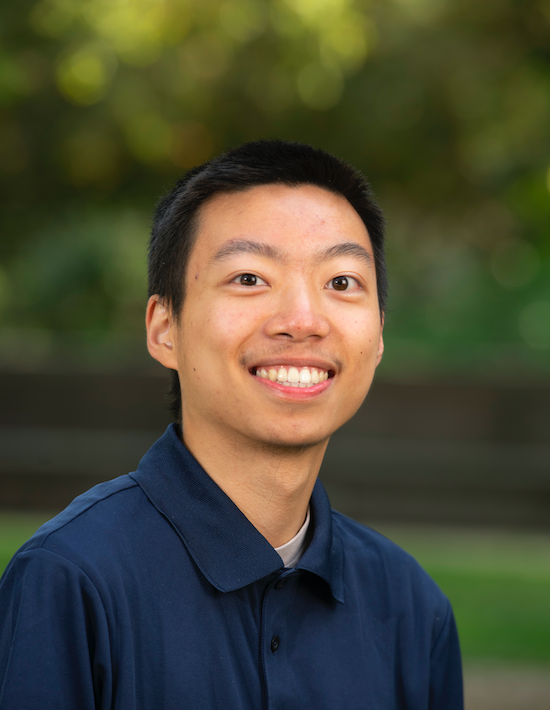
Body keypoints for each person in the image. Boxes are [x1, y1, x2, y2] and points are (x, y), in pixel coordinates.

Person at [0, 140, 463, 709]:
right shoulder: (72, 581)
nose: (303, 321)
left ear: (380, 335)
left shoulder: (413, 610)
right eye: (249, 278)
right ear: (164, 327)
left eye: (341, 282)